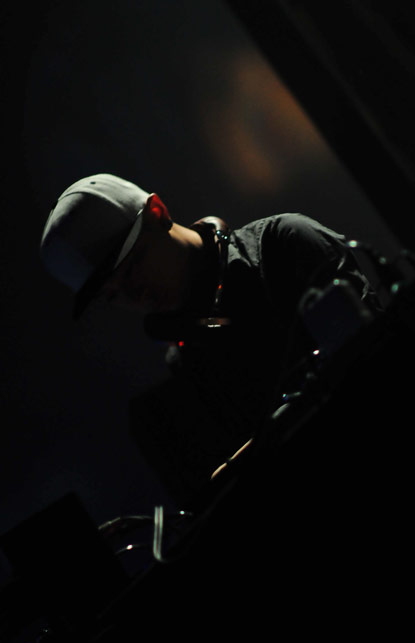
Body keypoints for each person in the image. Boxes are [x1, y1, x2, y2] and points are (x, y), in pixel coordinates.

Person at [40, 173, 379, 503]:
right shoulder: (185, 359)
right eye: (113, 295)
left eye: (132, 267)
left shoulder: (286, 243)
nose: (136, 295)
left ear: (158, 213)